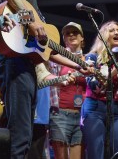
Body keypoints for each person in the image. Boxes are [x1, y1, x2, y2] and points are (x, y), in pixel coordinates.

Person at [0, 0, 92, 158]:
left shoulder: (36, 8)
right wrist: (30, 21)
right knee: (20, 135)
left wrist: (77, 65)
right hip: (14, 64)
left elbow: (49, 51)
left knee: (24, 134)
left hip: (25, 67)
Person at [81, 21, 118, 158]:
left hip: (115, 110)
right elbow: (95, 86)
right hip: (94, 109)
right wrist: (117, 69)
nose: (116, 33)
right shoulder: (92, 57)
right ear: (104, 36)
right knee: (96, 154)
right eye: (111, 31)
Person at [49, 22, 87, 159]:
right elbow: (49, 79)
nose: (71, 35)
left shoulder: (89, 60)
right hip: (60, 115)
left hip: (81, 117)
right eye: (67, 33)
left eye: (75, 32)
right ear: (64, 39)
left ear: (82, 38)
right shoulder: (58, 58)